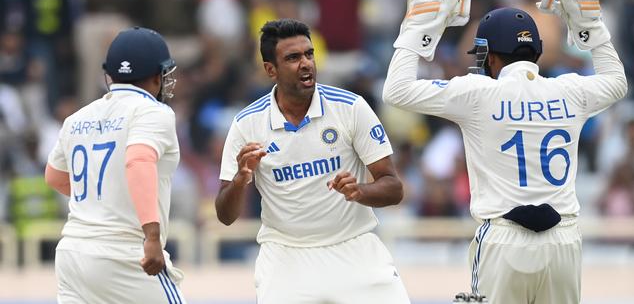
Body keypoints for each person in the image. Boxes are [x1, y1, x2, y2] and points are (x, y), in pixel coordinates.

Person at [383, 0, 627, 304]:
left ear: (490, 55)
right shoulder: (570, 92)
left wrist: (418, 29)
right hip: (564, 240)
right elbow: (617, 82)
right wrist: (593, 28)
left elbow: (397, 90)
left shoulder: (477, 93)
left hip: (504, 240)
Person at [215, 18, 411, 304]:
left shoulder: (350, 107)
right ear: (271, 69)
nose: (306, 63)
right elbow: (225, 215)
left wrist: (360, 191)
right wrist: (239, 181)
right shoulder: (246, 124)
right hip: (285, 258)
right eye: (293, 58)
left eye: (309, 54)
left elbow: (394, 188)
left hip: (354, 249)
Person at [45, 27, 186, 303]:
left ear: (110, 75)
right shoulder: (154, 111)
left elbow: (54, 177)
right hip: (124, 252)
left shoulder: (77, 118)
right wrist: (152, 237)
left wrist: (106, 195)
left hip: (72, 253)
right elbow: (139, 160)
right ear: (158, 77)